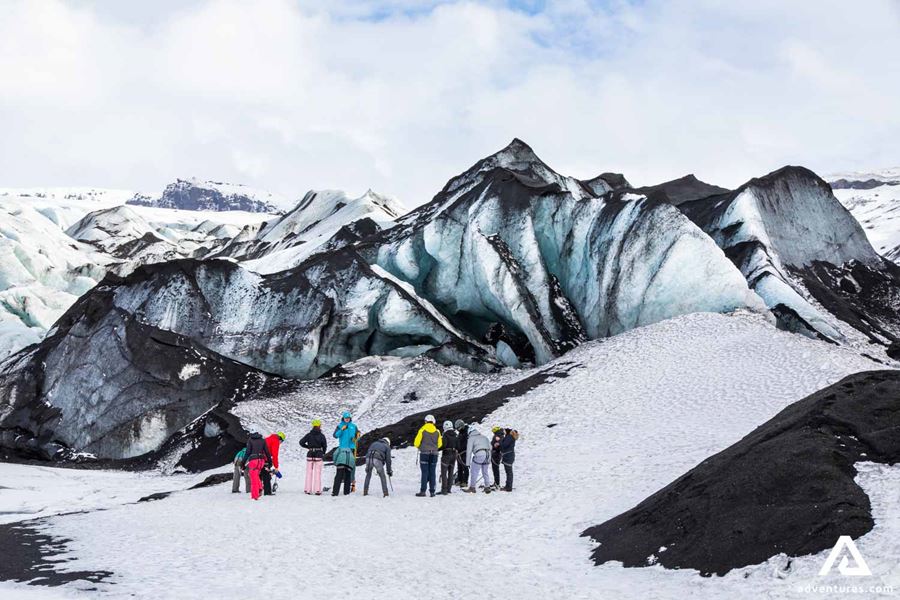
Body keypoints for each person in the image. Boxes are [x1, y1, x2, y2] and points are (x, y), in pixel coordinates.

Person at [413, 414, 442, 497]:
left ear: (425, 421)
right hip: (434, 454)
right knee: (432, 472)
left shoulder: (422, 430)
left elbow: (416, 443)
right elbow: (440, 444)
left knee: (424, 472)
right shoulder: (437, 431)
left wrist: (421, 447)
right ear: (433, 422)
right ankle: (432, 492)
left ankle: (423, 491)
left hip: (424, 453)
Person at [241, 431, 273, 501]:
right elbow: (267, 452)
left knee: (253, 478)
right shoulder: (262, 440)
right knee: (255, 475)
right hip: (261, 461)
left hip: (253, 461)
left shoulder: (250, 440)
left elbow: (248, 452)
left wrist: (243, 463)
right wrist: (270, 462)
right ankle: (260, 487)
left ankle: (255, 496)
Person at [299, 420, 327, 495]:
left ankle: (308, 490)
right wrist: (323, 453)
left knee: (309, 473)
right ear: (319, 426)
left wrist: (308, 447)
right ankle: (317, 490)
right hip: (318, 455)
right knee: (317, 473)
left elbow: (301, 442)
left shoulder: (308, 435)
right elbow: (325, 445)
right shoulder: (322, 435)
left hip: (310, 454)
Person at [465, 426, 492, 493]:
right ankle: (487, 486)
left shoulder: (471, 438)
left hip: (479, 454)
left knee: (474, 471)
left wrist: (467, 463)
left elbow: (469, 451)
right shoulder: (484, 437)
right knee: (485, 472)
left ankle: (472, 487)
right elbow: (490, 447)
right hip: (488, 454)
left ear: (469, 432)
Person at [261, 431, 285, 496]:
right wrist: (276, 466)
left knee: (260, 475)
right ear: (280, 439)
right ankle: (267, 492)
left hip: (259, 459)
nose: (280, 443)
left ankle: (258, 489)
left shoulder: (267, 439)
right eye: (281, 441)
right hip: (265, 459)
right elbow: (275, 455)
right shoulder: (276, 441)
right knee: (266, 475)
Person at [439, 420, 459, 495]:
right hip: (454, 455)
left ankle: (444, 490)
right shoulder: (456, 434)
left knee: (444, 473)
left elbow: (444, 445)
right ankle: (449, 489)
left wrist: (437, 449)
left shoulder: (445, 435)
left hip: (446, 454)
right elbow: (458, 446)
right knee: (451, 472)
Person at [490, 426, 505, 491]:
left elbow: (499, 444)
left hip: (496, 454)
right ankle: (496, 482)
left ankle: (497, 483)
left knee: (495, 469)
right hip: (496, 454)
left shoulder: (498, 436)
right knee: (495, 469)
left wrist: (496, 445)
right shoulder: (500, 435)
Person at [455, 420, 469, 487]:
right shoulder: (460, 433)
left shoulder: (466, 433)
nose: (457, 430)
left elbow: (465, 443)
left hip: (464, 452)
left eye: (458, 428)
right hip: (459, 452)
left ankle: (465, 482)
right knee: (459, 467)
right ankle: (459, 480)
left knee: (465, 467)